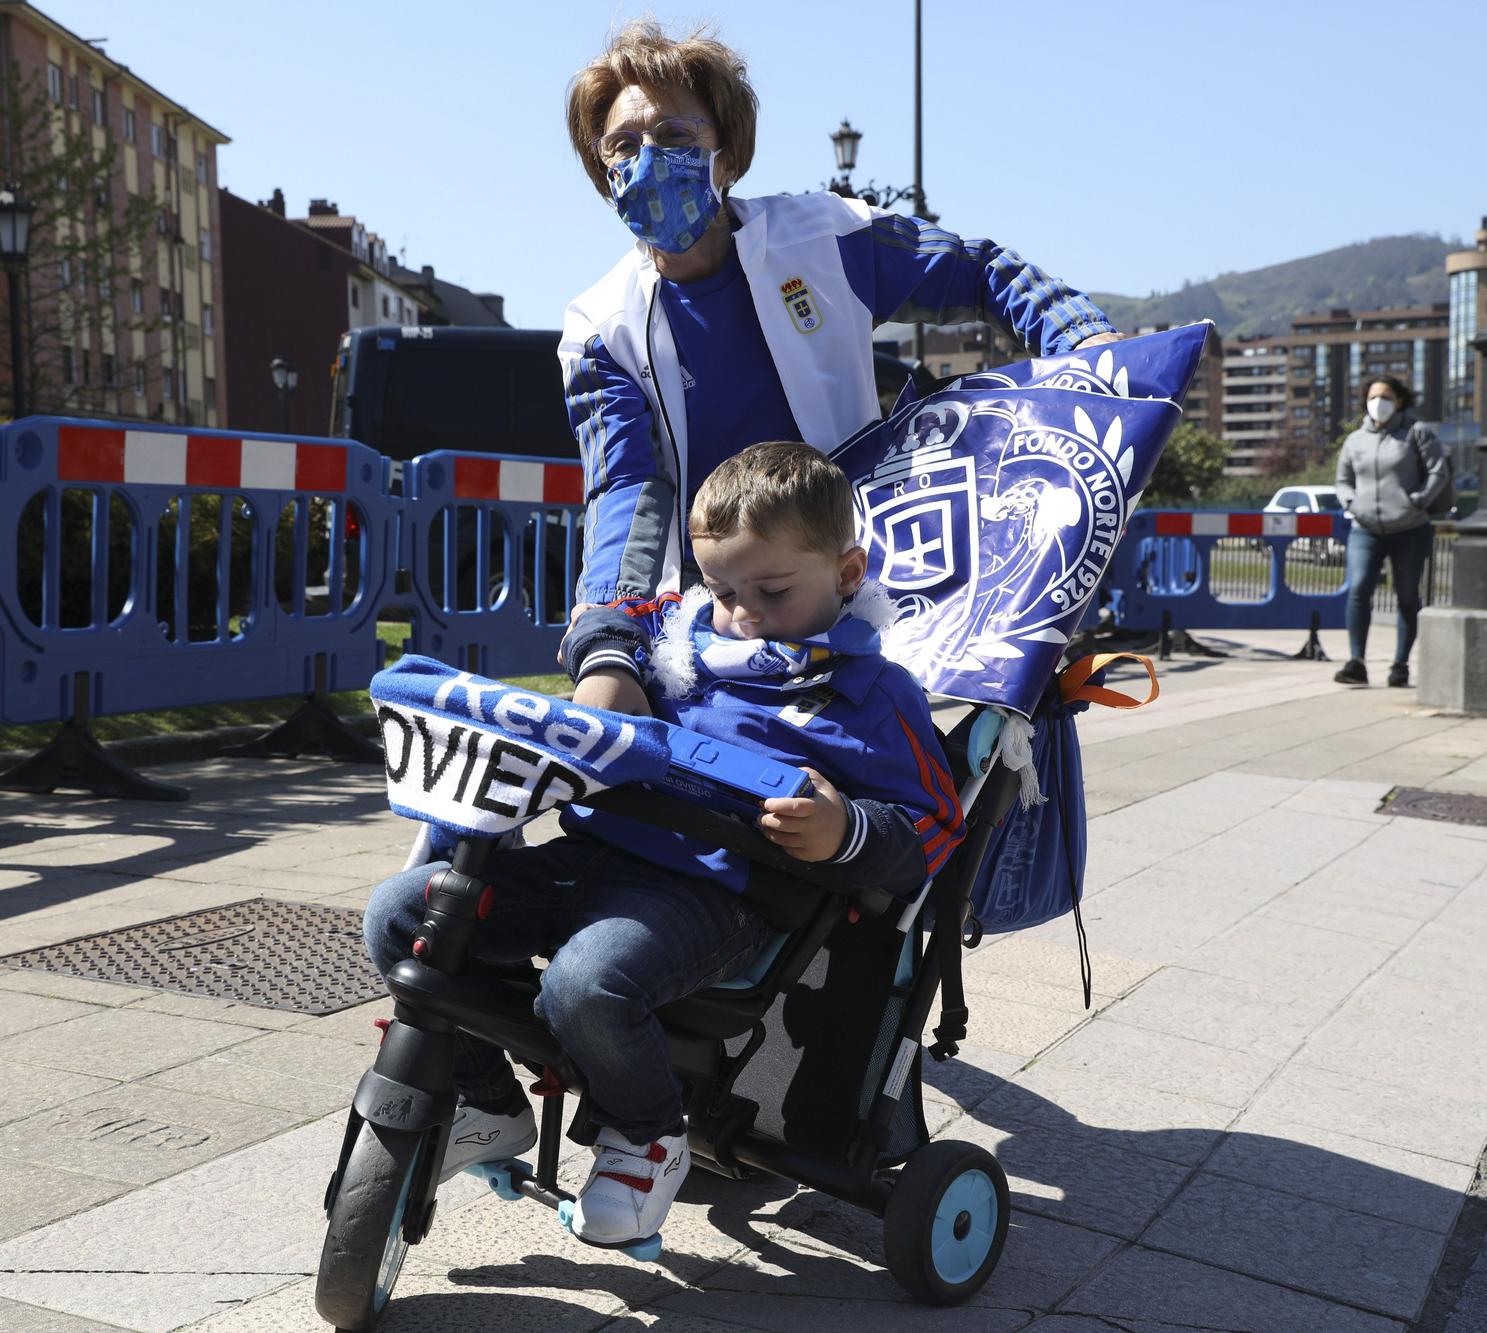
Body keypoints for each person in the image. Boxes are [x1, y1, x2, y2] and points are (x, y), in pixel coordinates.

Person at [361, 443, 963, 1246]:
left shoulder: (874, 696)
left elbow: (935, 825)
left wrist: (846, 829)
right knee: (403, 914)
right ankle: (486, 1102)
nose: (741, 613)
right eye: (722, 589)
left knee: (588, 980)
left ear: (848, 574)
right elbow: (614, 613)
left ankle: (646, 1131)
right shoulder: (681, 633)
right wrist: (608, 665)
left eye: (771, 592)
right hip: (584, 857)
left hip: (714, 894)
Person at [557, 20, 1124, 717]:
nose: (647, 161)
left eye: (674, 137)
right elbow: (626, 491)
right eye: (623, 146)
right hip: (724, 612)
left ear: (726, 154)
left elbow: (979, 269)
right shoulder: (598, 329)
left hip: (854, 584)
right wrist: (610, 638)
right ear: (603, 173)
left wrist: (1092, 346)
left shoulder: (825, 238)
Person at [1332, 373, 1449, 688]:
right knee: (1358, 589)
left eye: (1385, 397)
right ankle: (1356, 661)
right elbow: (1342, 480)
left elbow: (1439, 471)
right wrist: (1352, 503)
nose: (1377, 403)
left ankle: (1400, 664)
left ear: (1399, 400)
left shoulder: (1416, 433)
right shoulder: (1355, 440)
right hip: (1365, 528)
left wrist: (1419, 501)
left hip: (1409, 529)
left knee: (1407, 596)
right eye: (1372, 397)